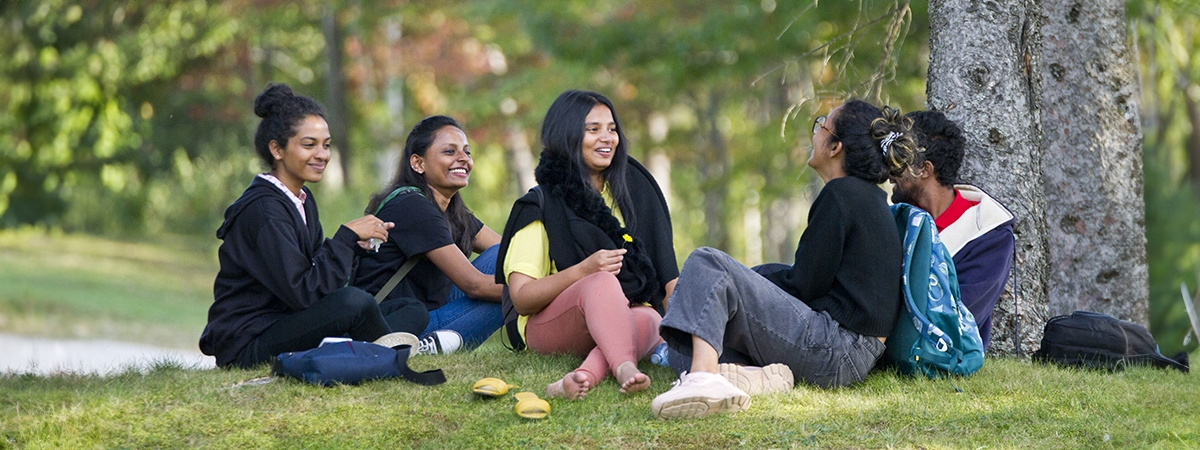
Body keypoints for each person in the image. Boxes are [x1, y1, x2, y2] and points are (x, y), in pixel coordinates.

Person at [650, 100, 919, 420]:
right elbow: (816, 282)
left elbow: (804, 285)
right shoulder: (868, 198)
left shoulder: (842, 194)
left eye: (822, 125)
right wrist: (752, 280)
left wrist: (748, 280)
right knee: (688, 345)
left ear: (836, 147)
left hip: (839, 348)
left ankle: (704, 381)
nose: (816, 132)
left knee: (707, 261)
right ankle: (752, 378)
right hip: (852, 356)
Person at [200, 83, 414, 369]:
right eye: (309, 144)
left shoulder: (301, 199)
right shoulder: (264, 210)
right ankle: (392, 359)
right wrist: (344, 239)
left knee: (409, 308)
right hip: (249, 342)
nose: (322, 155)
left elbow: (316, 278)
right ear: (276, 149)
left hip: (287, 320)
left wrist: (354, 247)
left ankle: (374, 348)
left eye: (326, 145)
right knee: (355, 303)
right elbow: (303, 292)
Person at [495, 90, 679, 400]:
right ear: (567, 135)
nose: (607, 138)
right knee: (601, 282)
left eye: (612, 129)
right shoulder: (540, 203)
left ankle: (582, 377)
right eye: (593, 130)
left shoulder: (635, 190)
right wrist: (584, 270)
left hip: (623, 317)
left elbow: (667, 273)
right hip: (553, 323)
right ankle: (624, 365)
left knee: (649, 317)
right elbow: (523, 298)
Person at [355, 115, 504, 354]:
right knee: (513, 296)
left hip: (426, 313)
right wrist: (535, 292)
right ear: (418, 163)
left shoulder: (449, 208)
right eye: (449, 151)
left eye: (467, 152)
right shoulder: (412, 206)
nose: (463, 159)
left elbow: (510, 250)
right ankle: (422, 348)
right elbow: (474, 286)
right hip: (395, 327)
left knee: (505, 258)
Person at [889, 110, 1015, 350]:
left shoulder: (989, 235)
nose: (889, 171)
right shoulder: (894, 220)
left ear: (925, 169)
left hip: (939, 356)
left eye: (900, 158)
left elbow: (959, 318)